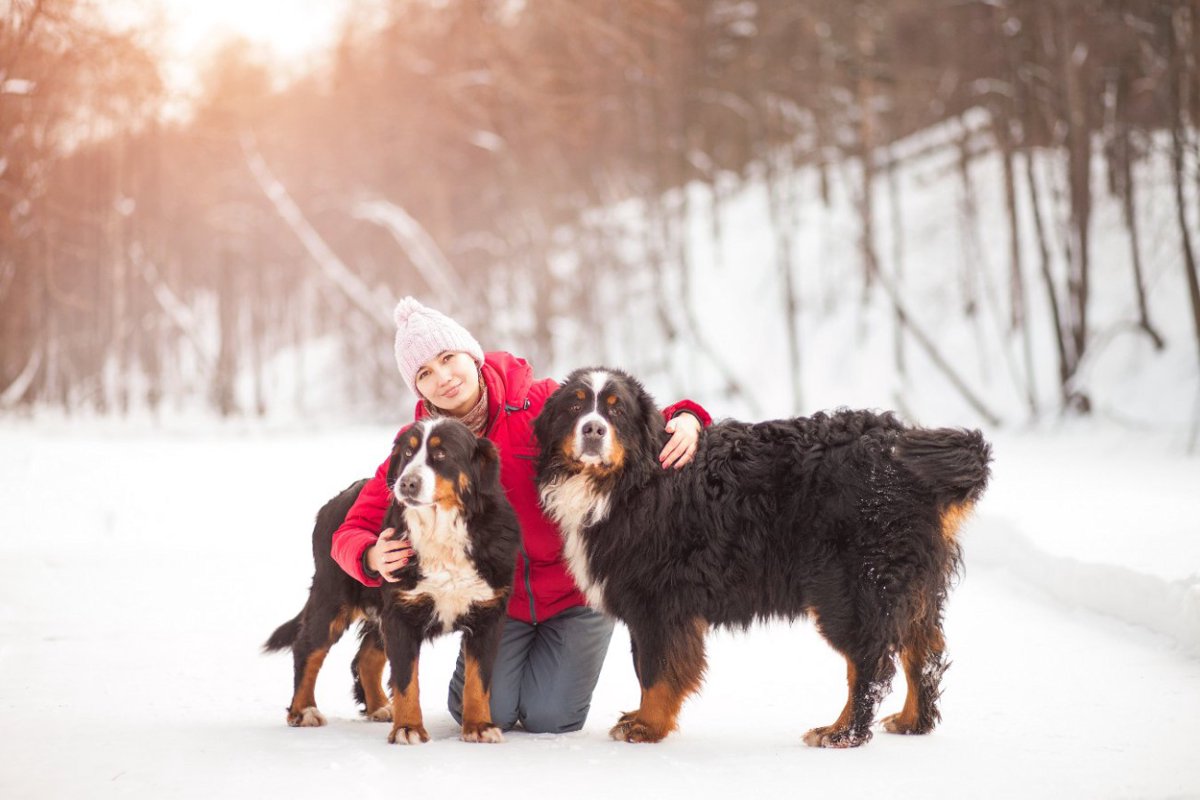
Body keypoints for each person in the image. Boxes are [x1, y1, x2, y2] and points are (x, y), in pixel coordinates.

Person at [330, 297, 710, 734]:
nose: (444, 378)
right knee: (487, 712)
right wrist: (369, 556)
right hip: (500, 604)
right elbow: (352, 529)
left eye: (448, 358)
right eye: (424, 374)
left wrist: (686, 418)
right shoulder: (418, 445)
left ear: (470, 354)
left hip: (572, 597)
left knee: (553, 717)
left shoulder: (541, 402)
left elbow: (621, 411)